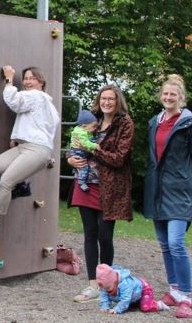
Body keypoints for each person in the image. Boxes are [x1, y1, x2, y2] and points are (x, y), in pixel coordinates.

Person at [144, 74, 192, 319]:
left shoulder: (191, 124)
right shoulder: (154, 122)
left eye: (173, 94)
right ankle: (173, 290)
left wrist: (190, 186)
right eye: (165, 94)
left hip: (180, 191)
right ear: (161, 96)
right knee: (164, 245)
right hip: (157, 190)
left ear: (181, 98)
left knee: (176, 244)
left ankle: (186, 297)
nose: (168, 97)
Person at [68, 84, 135, 303]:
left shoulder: (125, 124)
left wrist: (94, 150)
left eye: (111, 99)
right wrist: (70, 157)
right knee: (90, 234)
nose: (106, 102)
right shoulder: (92, 119)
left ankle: (106, 283)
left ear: (118, 102)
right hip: (85, 183)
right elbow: (74, 142)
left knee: (105, 236)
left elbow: (119, 158)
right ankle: (92, 285)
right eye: (103, 98)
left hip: (110, 188)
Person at [0, 66, 60, 234]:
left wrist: (8, 79)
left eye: (32, 78)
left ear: (41, 82)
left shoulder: (36, 96)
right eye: (26, 78)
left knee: (6, 181)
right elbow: (34, 123)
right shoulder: (45, 103)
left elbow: (13, 101)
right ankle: (21, 186)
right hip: (26, 145)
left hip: (36, 149)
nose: (27, 81)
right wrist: (18, 136)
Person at [95, 264, 170, 314]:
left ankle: (159, 305)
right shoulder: (105, 284)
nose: (107, 290)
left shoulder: (125, 284)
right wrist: (105, 306)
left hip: (144, 289)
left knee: (145, 307)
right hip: (133, 295)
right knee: (133, 306)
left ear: (114, 281)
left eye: (108, 288)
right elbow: (104, 295)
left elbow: (125, 299)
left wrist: (117, 309)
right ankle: (137, 302)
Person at [69, 110, 99, 192]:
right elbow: (85, 143)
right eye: (93, 126)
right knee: (84, 167)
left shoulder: (83, 130)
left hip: (79, 152)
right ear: (84, 126)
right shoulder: (81, 133)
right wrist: (95, 145)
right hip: (78, 153)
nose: (95, 128)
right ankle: (81, 182)